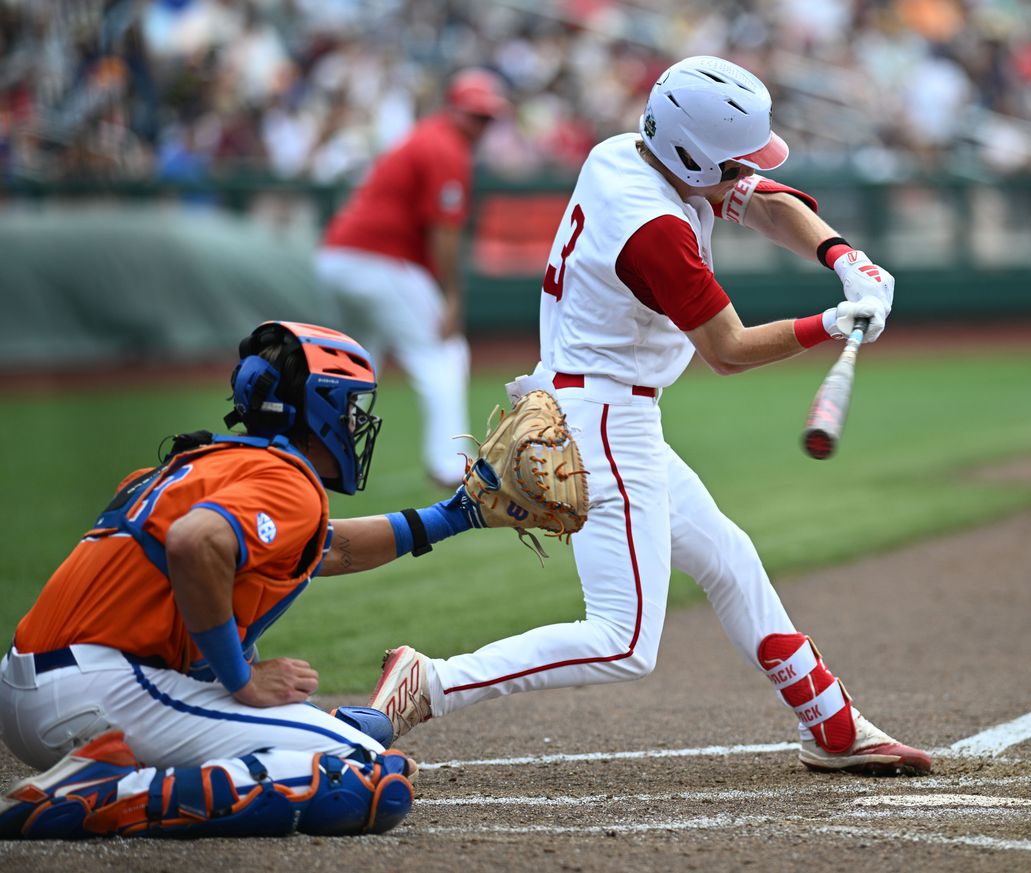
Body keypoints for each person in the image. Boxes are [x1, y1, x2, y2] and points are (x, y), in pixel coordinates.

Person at [369, 57, 932, 776]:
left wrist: (843, 256)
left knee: (728, 558)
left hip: (597, 401)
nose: (743, 174)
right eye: (732, 161)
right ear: (693, 155)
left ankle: (830, 722)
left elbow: (762, 199)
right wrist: (832, 320)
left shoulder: (625, 151)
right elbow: (726, 349)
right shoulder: (653, 228)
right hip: (603, 419)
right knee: (622, 639)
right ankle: (431, 682)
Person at [0, 321, 487, 839]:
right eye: (351, 407)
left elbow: (329, 549)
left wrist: (461, 514)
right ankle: (109, 794)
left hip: (37, 687)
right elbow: (196, 541)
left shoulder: (205, 463)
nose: (356, 422)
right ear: (321, 409)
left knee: (361, 758)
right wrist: (242, 678)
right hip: (103, 691)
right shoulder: (287, 480)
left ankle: (110, 774)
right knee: (363, 773)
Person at [316, 68, 511, 490]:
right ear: (454, 110)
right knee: (443, 353)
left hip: (340, 257)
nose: (481, 126)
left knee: (358, 364)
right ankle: (448, 464)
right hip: (378, 259)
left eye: (487, 118)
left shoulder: (427, 136)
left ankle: (323, 452)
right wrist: (452, 296)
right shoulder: (446, 147)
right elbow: (444, 231)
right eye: (475, 115)